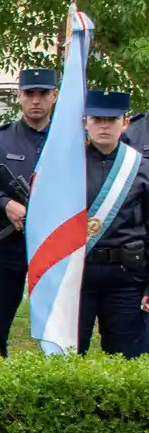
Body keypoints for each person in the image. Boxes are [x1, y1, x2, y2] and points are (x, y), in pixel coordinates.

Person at [0, 69, 58, 355]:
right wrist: (6, 204)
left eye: (43, 93)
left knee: (59, 327)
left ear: (54, 96)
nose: (36, 101)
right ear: (19, 96)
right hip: (9, 243)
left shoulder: (69, 141)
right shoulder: (0, 142)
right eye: (29, 93)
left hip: (56, 244)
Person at [76, 90, 149, 357]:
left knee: (125, 358)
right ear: (86, 122)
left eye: (112, 119)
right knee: (68, 353)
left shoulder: (142, 168)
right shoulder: (69, 166)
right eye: (97, 119)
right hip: (78, 274)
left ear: (125, 123)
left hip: (126, 277)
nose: (104, 126)